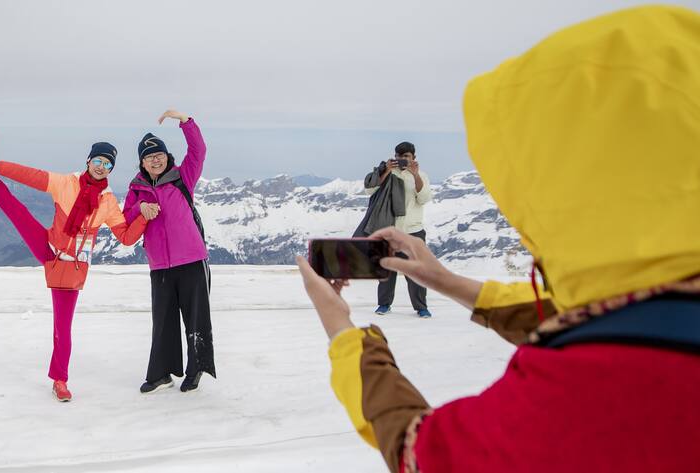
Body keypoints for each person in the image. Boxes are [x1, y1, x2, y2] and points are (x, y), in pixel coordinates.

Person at [298, 5, 700, 472]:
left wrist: (342, 331)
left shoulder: (575, 404)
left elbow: (422, 450)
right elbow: (629, 315)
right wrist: (451, 282)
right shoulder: (654, 326)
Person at [0, 134, 148, 402]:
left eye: (107, 165)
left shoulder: (108, 202)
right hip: (49, 248)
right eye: (98, 160)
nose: (101, 167)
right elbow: (28, 175)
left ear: (111, 170)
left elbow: (126, 237)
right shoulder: (66, 183)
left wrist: (144, 216)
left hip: (71, 268)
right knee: (16, 211)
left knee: (63, 328)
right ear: (88, 160)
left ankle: (59, 380)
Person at [123, 109, 216, 394]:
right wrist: (141, 209)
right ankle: (161, 373)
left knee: (195, 317)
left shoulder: (182, 177)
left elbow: (198, 150)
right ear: (142, 162)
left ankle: (196, 368)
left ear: (166, 156)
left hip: (191, 260)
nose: (156, 159)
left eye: (159, 154)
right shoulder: (136, 188)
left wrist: (185, 121)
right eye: (149, 156)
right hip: (160, 265)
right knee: (162, 321)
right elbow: (126, 218)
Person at [356, 141, 433, 317]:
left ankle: (421, 307)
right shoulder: (388, 172)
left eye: (406, 156)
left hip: (413, 231)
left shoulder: (422, 175)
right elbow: (370, 189)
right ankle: (384, 304)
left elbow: (424, 198)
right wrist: (387, 170)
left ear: (413, 157)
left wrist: (415, 175)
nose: (402, 159)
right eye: (399, 156)